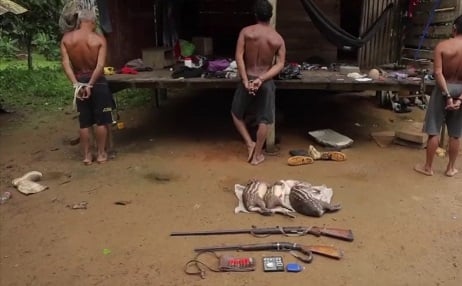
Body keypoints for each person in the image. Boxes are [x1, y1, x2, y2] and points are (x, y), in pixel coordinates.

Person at [231, 0, 286, 165]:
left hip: (248, 77)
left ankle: (250, 143)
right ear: (271, 16)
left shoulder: (246, 32)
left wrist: (246, 80)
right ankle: (257, 156)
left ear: (255, 15)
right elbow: (280, 64)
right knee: (265, 119)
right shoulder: (277, 39)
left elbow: (238, 56)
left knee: (236, 113)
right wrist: (262, 79)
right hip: (266, 81)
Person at [60, 9, 114, 165]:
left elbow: (65, 64)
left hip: (79, 82)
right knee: (102, 121)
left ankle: (87, 156)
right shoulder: (98, 39)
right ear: (92, 21)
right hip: (97, 82)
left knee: (84, 122)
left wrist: (76, 84)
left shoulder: (67, 39)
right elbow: (100, 65)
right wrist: (90, 84)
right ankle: (102, 154)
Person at [414, 15, 462, 177]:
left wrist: (447, 95)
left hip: (443, 88)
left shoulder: (443, 46)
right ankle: (450, 168)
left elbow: (437, 73)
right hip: (460, 89)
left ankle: (428, 167)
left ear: (454, 28)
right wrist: (459, 98)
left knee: (434, 129)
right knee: (455, 133)